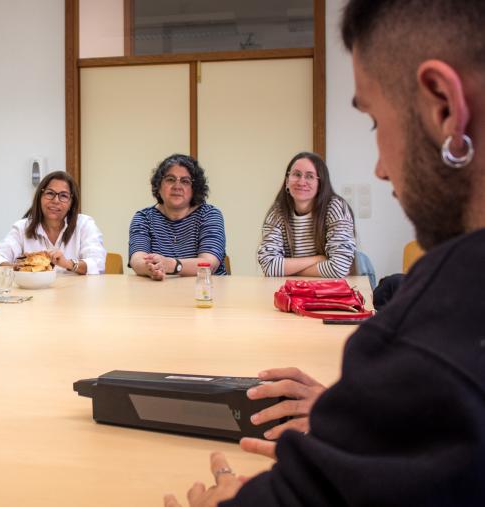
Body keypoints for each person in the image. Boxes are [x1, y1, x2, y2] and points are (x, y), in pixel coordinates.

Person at [166, 1, 485, 505]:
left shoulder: (437, 332)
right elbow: (272, 266)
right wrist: (365, 409)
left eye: (376, 122)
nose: (379, 169)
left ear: (443, 105)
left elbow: (338, 265)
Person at [257, 152, 357, 278]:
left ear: (321, 184)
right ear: (287, 181)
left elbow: (339, 268)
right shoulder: (277, 212)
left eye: (310, 176)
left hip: (331, 291)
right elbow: (269, 266)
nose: (301, 181)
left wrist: (289, 270)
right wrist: (318, 259)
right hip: (292, 291)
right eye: (296, 174)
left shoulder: (336, 208)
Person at [0, 171, 107, 274]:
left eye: (63, 196)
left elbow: (97, 263)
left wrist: (67, 263)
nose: (55, 200)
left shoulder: (84, 224)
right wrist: (19, 267)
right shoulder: (22, 227)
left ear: (71, 203)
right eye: (50, 193)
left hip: (75, 296)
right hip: (33, 296)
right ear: (40, 197)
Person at [129, 154, 227, 280]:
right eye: (170, 179)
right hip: (158, 292)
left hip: (206, 292)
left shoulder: (210, 215)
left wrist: (171, 265)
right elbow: (136, 259)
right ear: (159, 185)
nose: (177, 186)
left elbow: (209, 264)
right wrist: (150, 268)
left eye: (185, 181)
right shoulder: (144, 218)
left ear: (194, 189)